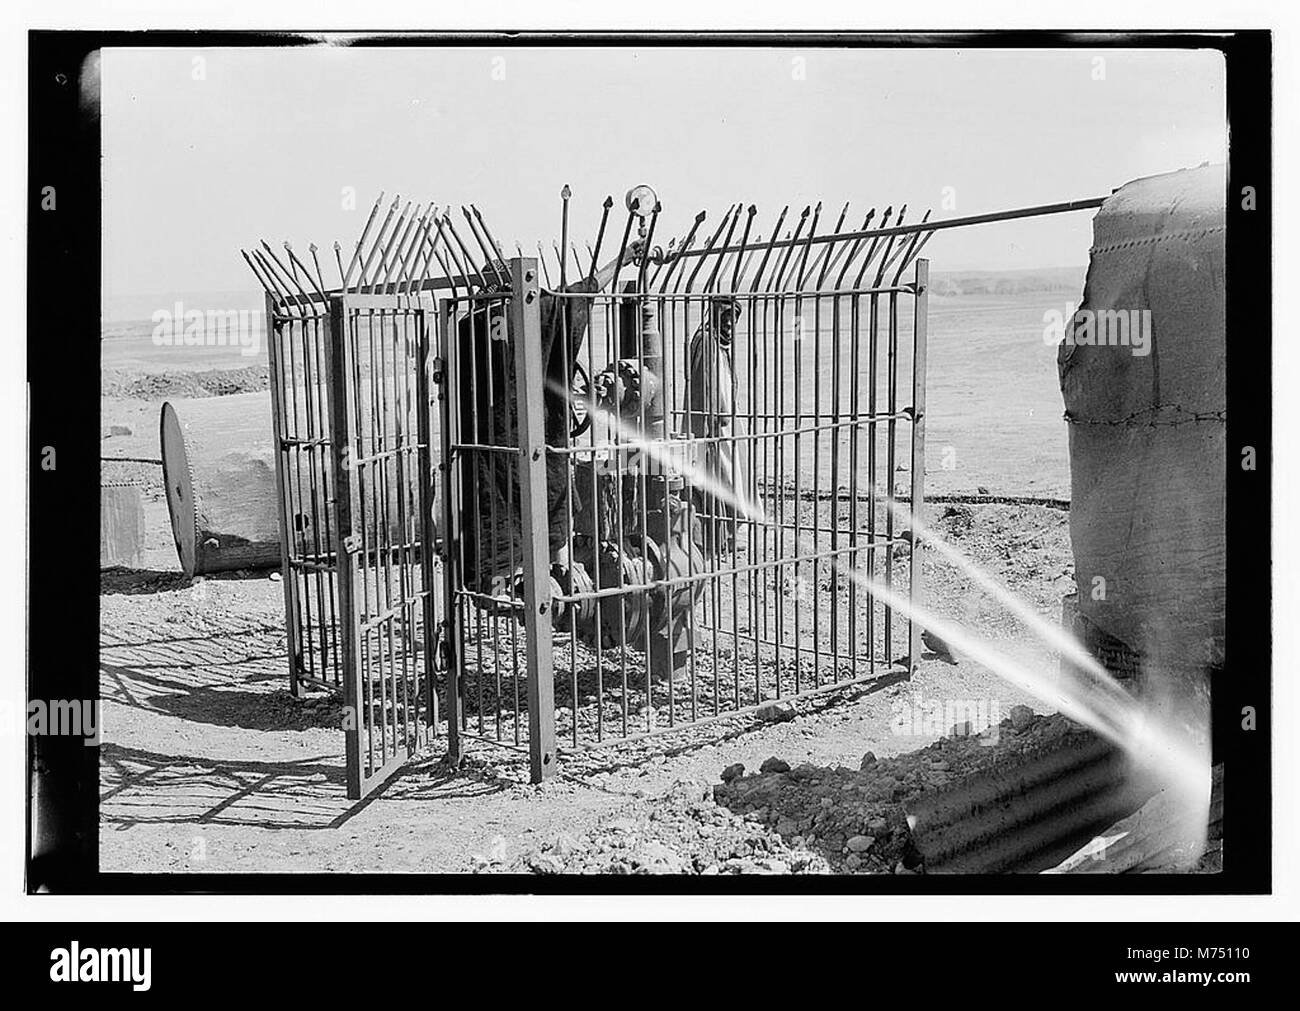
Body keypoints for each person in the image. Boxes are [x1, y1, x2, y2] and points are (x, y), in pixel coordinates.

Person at [686, 295, 745, 557]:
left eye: (733, 319)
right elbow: (704, 386)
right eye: (725, 318)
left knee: (732, 477)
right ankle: (717, 538)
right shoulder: (705, 342)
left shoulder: (720, 345)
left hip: (725, 422)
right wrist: (714, 417)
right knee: (716, 478)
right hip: (710, 424)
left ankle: (727, 534)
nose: (729, 325)